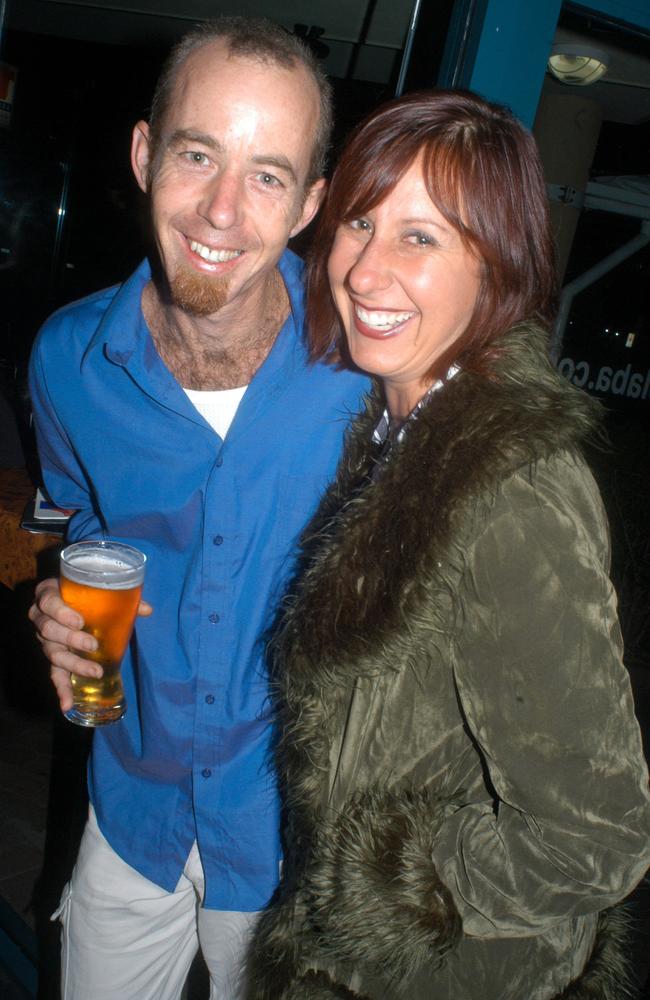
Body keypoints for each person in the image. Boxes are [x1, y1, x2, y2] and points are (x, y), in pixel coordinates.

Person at [245, 89, 650, 1000]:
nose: (364, 270)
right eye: (359, 222)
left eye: (420, 238)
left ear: (497, 267)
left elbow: (599, 835)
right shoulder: (397, 429)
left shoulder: (511, 488)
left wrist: (395, 884)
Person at [27, 16, 368, 999]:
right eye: (196, 154)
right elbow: (78, 524)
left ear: (308, 203)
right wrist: (62, 607)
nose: (222, 210)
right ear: (144, 154)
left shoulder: (362, 360)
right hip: (130, 808)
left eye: (266, 175)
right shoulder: (68, 359)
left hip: (291, 849)